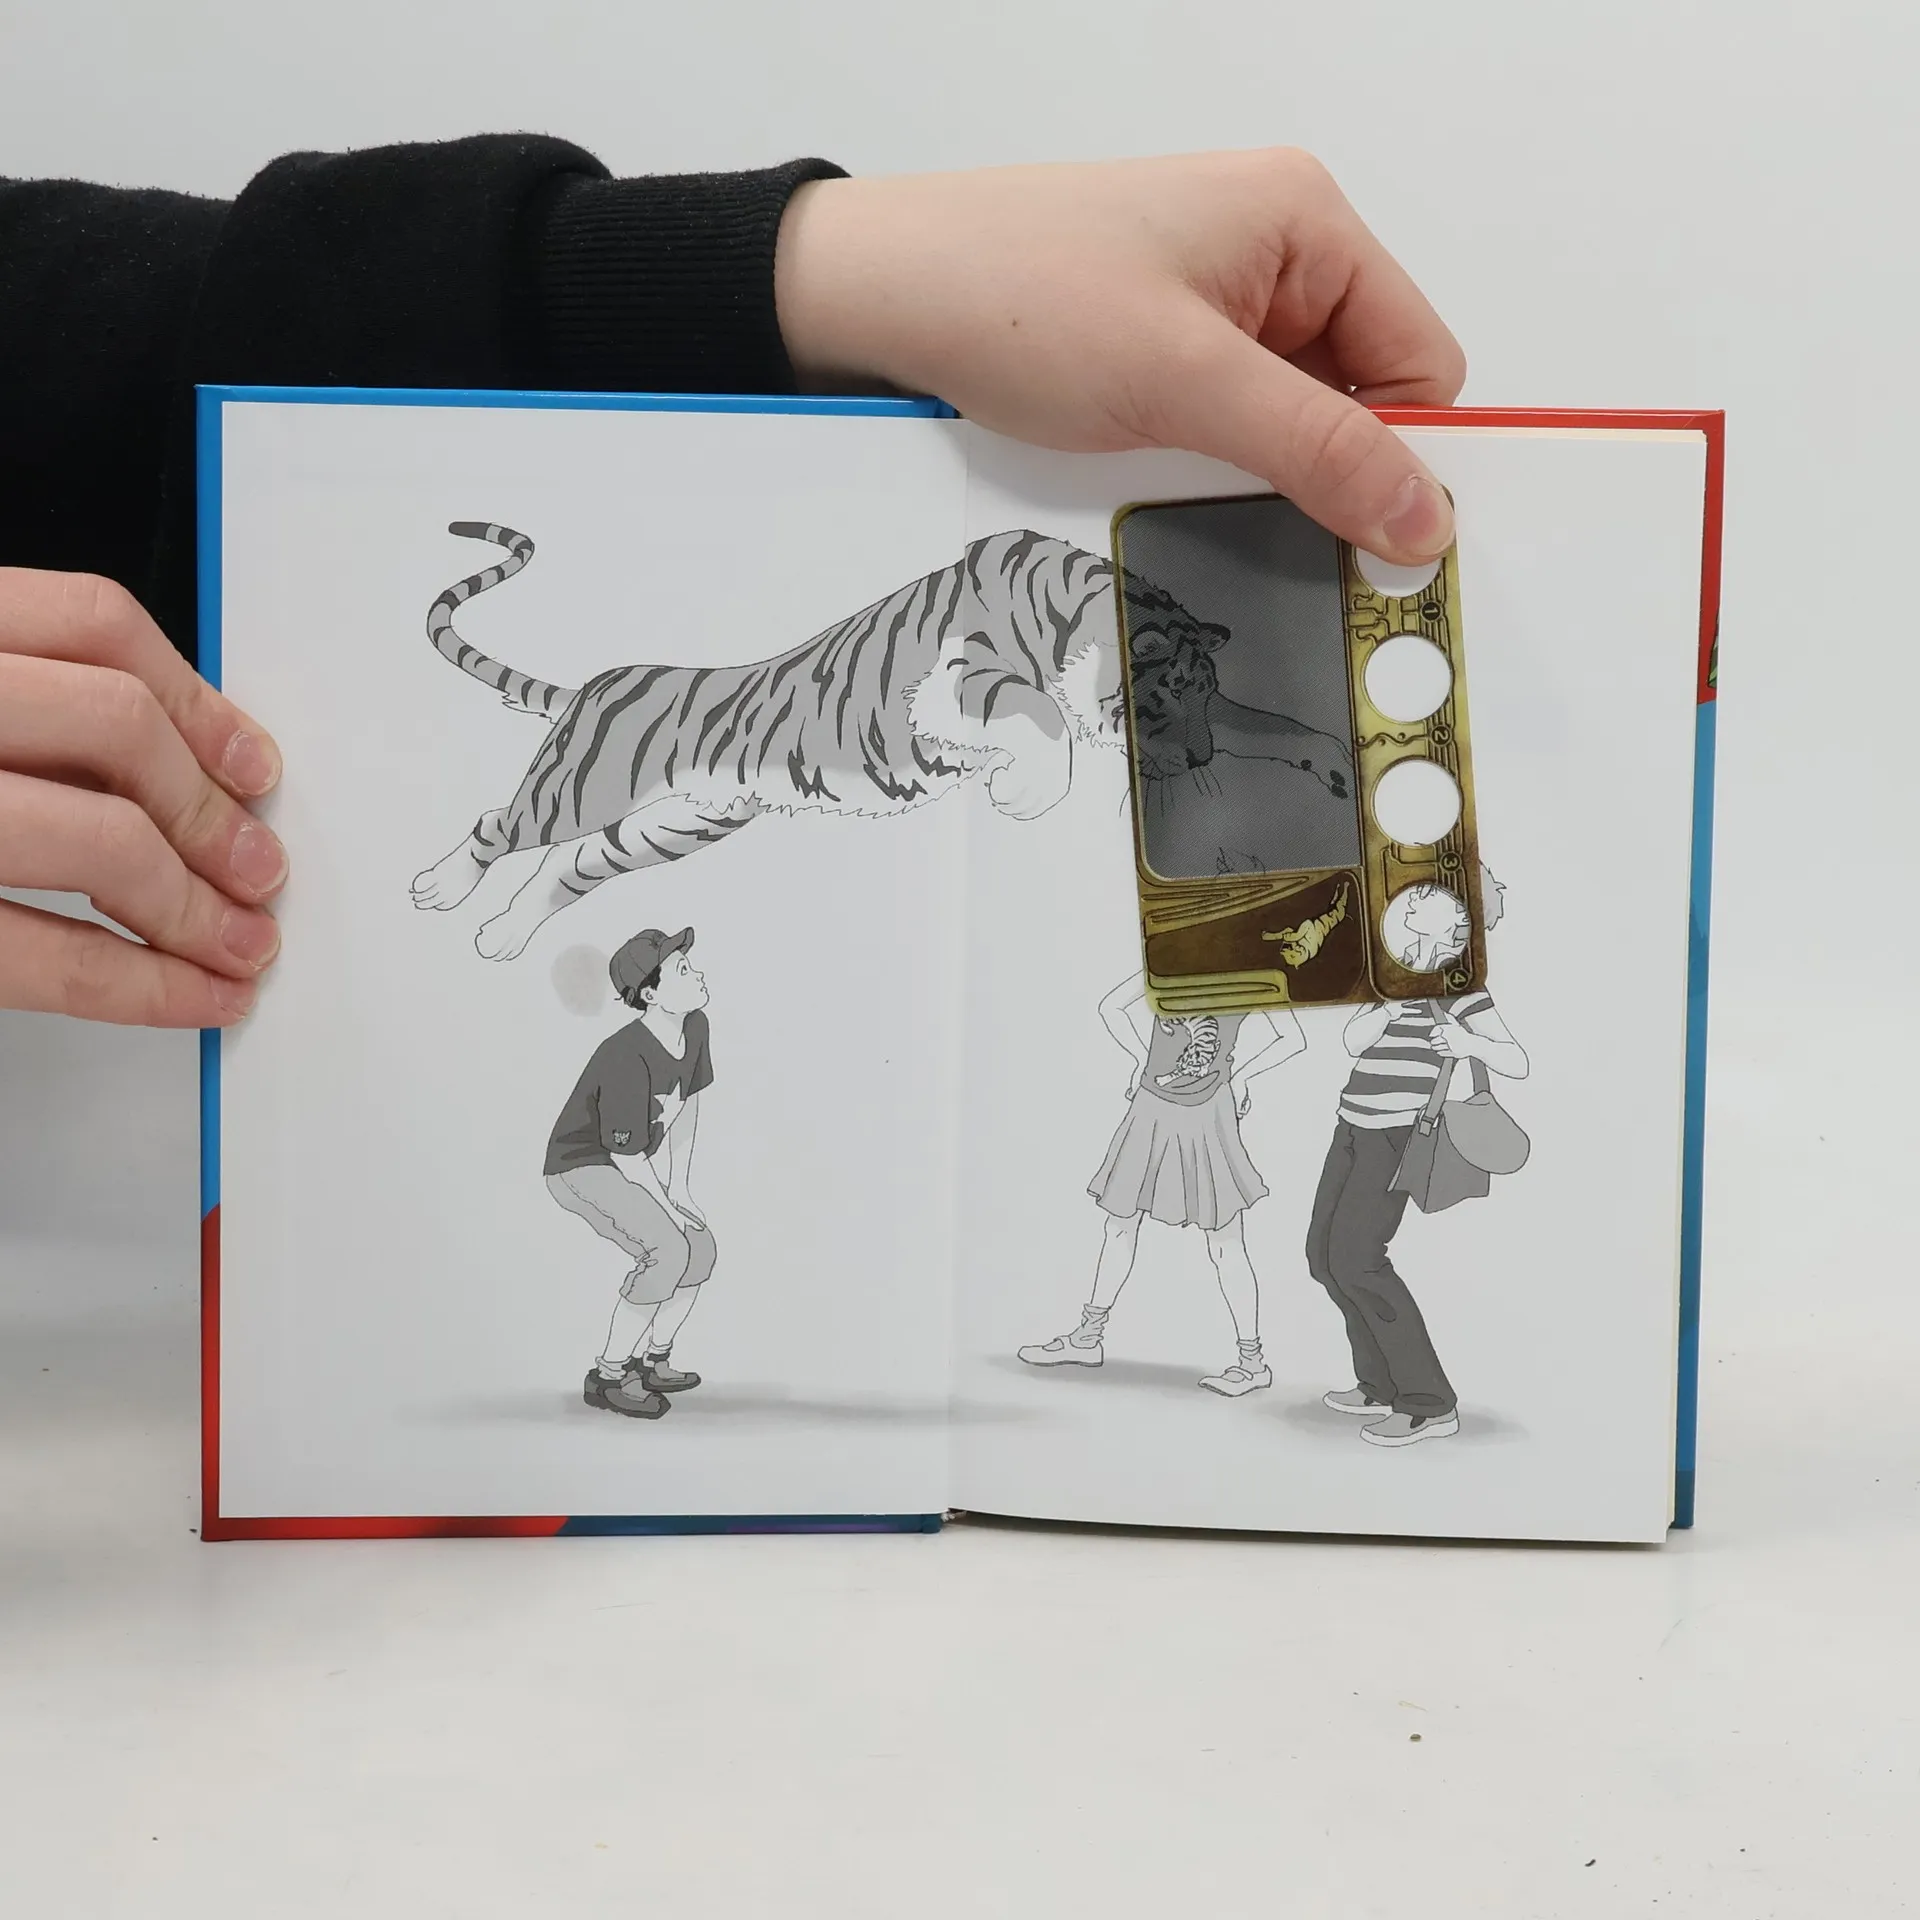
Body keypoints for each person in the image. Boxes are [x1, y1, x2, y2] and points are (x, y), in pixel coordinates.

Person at [0, 141, 1463, 1027]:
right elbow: (973, 696)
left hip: (779, 758)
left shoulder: (1118, 641)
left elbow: (123, 353)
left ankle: (532, 878)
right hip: (722, 722)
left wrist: (798, 270)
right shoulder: (1002, 626)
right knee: (571, 809)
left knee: (637, 844)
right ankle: (494, 854)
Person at [1307, 874, 1529, 1448]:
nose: (1410, 904)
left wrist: (1468, 1043)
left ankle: (1429, 1404)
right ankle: (1377, 1385)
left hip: (1396, 1135)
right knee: (1323, 1258)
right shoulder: (1390, 977)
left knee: (1358, 1261)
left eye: (1428, 898)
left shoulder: (1462, 987)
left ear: (1460, 921)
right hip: (1351, 1124)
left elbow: (1517, 1060)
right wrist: (1387, 1003)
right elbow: (1353, 1043)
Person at [1019, 978, 1306, 1394]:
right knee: (1126, 1224)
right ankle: (1088, 1336)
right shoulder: (1177, 959)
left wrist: (1240, 1076)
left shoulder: (1246, 971)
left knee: (1220, 1239)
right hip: (1156, 1105)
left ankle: (1252, 1361)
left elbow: (1292, 1039)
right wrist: (1144, 1059)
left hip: (1203, 1111)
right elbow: (1111, 1007)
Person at [544, 927, 715, 1420]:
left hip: (628, 1162)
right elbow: (626, 1156)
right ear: (651, 994)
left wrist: (680, 1189)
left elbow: (687, 1105)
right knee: (668, 1249)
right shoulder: (624, 1054)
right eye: (682, 970)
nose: (698, 973)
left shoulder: (695, 1026)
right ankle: (608, 1376)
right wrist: (667, 1210)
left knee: (700, 1248)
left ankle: (653, 1360)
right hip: (581, 1164)